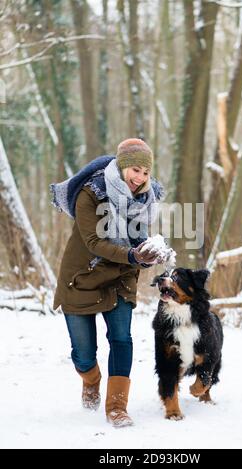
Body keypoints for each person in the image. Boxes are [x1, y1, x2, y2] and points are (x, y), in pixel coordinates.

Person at [51, 138, 164, 427]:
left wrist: (151, 251)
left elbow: (139, 239)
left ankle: (117, 407)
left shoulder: (143, 198)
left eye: (146, 173)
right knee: (84, 353)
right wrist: (132, 254)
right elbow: (93, 242)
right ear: (123, 167)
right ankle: (91, 379)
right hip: (82, 276)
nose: (140, 178)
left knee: (122, 339)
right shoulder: (91, 193)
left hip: (121, 277)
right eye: (135, 170)